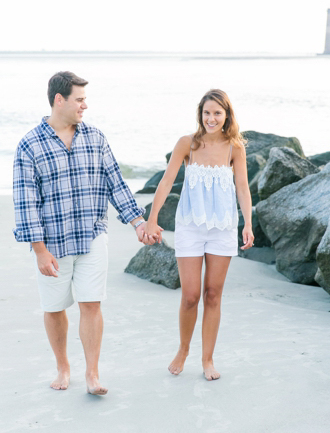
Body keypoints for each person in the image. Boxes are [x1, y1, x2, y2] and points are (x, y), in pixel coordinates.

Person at [13, 71, 161, 395]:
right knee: (54, 308)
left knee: (91, 304)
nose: (85, 106)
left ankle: (92, 373)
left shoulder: (95, 137)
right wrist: (39, 250)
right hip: (53, 243)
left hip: (92, 236)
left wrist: (139, 223)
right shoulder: (29, 145)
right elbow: (26, 203)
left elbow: (115, 184)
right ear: (59, 100)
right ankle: (63, 365)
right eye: (80, 99)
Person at [144, 89, 254, 380]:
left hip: (223, 228)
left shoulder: (235, 148)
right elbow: (167, 182)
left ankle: (208, 360)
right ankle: (183, 349)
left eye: (217, 113)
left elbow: (243, 188)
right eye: (207, 112)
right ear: (200, 114)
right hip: (190, 226)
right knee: (191, 296)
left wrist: (248, 223)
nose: (211, 118)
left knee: (213, 295)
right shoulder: (187, 144)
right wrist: (152, 219)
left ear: (226, 115)